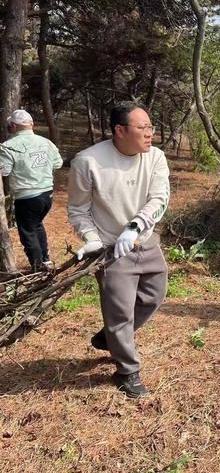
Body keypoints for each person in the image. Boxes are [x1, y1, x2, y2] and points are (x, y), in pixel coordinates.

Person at [68, 102, 170, 398]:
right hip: (112, 250)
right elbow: (78, 209)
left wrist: (136, 226)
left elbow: (160, 198)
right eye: (143, 128)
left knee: (155, 295)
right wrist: (92, 239)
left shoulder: (155, 157)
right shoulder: (87, 162)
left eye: (151, 127)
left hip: (145, 241)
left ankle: (111, 336)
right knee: (120, 312)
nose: (150, 134)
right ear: (120, 130)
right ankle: (128, 371)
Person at [0, 109, 63, 271]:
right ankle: (46, 260)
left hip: (27, 197)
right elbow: (58, 164)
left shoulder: (8, 147)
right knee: (37, 225)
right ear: (31, 125)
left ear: (13, 126)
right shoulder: (46, 142)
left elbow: (4, 171)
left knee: (28, 233)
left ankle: (38, 268)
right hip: (47, 195)